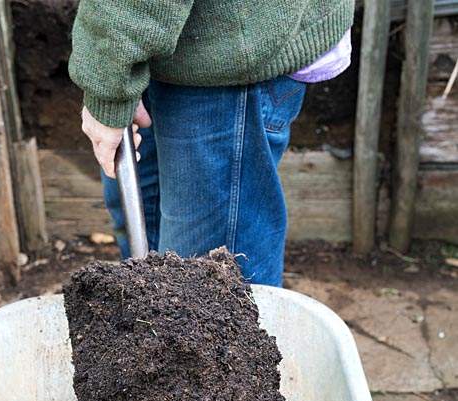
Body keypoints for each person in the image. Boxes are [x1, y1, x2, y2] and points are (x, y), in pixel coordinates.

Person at [69, 1, 354, 286]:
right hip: (157, 40)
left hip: (228, 53)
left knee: (202, 294)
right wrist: (115, 69)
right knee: (155, 282)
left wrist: (108, 86)